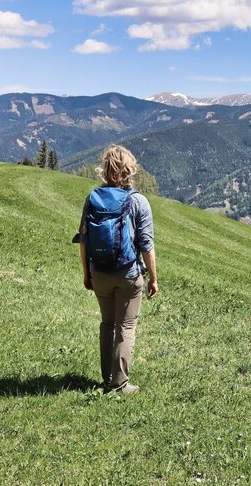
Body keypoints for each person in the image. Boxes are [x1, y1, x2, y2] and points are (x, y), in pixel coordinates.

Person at [78, 145, 159, 393]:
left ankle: (107, 379)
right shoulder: (138, 201)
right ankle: (120, 383)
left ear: (105, 169)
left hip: (99, 271)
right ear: (130, 170)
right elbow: (147, 244)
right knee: (126, 325)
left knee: (107, 323)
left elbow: (83, 239)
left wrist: (87, 273)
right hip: (128, 274)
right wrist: (153, 278)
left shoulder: (93, 198)